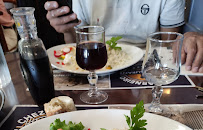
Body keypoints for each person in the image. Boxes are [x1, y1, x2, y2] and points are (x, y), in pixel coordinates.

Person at [44, 0, 203, 73]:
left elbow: (167, 45)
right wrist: (67, 30)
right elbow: (77, 45)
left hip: (147, 64)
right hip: (95, 64)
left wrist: (189, 36)